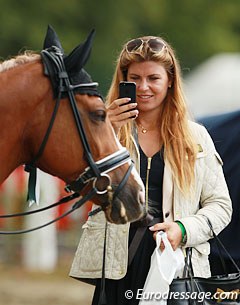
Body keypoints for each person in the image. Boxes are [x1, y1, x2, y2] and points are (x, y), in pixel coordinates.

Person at [69, 35, 232, 305]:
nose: (143, 87)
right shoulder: (106, 131)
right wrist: (100, 130)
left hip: (175, 267)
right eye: (134, 78)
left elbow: (221, 205)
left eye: (153, 78)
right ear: (123, 81)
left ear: (170, 81)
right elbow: (77, 184)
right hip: (117, 267)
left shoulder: (196, 137)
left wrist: (183, 228)